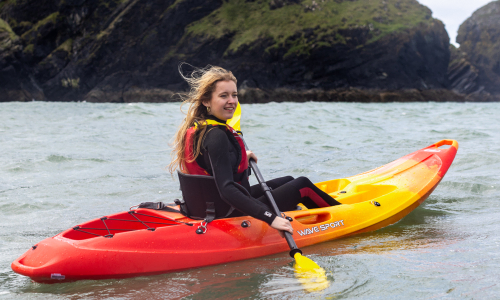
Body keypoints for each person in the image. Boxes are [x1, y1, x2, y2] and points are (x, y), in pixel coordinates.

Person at [169, 65, 340, 235]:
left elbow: (210, 161)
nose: (232, 101)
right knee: (303, 185)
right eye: (223, 96)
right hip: (230, 210)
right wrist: (271, 218)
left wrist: (241, 155)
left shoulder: (200, 128)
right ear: (206, 101)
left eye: (234, 95)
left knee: (288, 179)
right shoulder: (216, 136)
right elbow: (227, 189)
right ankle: (344, 215)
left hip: (210, 205)